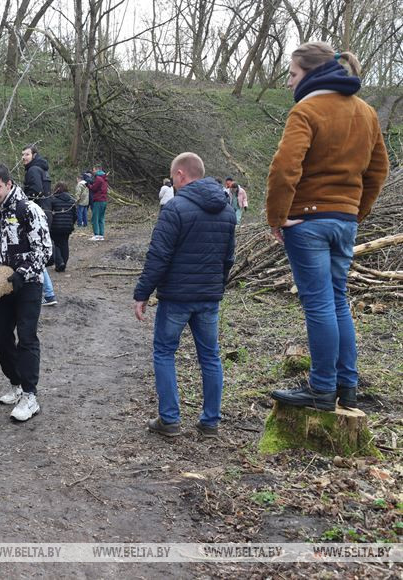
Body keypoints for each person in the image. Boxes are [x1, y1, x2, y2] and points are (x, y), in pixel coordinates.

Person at [266, 42, 389, 411]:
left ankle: (321, 389)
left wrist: (277, 216)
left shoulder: (307, 110)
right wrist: (355, 211)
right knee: (337, 302)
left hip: (308, 220)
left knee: (319, 305)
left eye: (292, 74)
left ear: (311, 73)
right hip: (344, 221)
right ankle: (346, 387)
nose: (289, 83)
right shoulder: (366, 112)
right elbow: (379, 170)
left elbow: (284, 167)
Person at [134, 152, 236, 438]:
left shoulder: (174, 209)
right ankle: (210, 422)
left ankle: (169, 420)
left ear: (180, 175)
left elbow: (158, 256)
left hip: (177, 298)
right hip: (208, 298)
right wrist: (218, 285)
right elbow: (229, 258)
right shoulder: (227, 211)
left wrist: (142, 294)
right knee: (210, 357)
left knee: (165, 352)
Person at [0, 163, 52, 422]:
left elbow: (44, 250)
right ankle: (16, 384)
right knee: (1, 339)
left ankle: (30, 396)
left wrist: (22, 273)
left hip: (28, 284)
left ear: (9, 183)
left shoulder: (28, 210)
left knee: (27, 337)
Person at [21, 144, 57, 305]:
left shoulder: (34, 170)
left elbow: (36, 191)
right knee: (37, 252)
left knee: (36, 252)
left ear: (34, 155)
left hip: (38, 214)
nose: (23, 157)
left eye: (26, 154)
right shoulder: (42, 169)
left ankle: (48, 294)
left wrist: (22, 200)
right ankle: (48, 294)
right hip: (46, 211)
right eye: (22, 155)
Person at [49, 181, 78, 272]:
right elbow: (75, 215)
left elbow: (49, 214)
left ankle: (59, 262)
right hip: (67, 227)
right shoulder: (72, 200)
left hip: (55, 227)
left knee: (55, 244)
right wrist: (71, 223)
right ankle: (63, 264)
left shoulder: (52, 200)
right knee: (65, 244)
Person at [88, 165, 109, 240]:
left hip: (98, 200)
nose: (93, 171)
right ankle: (101, 235)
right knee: (101, 218)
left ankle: (96, 234)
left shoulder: (98, 178)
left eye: (93, 170)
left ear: (97, 170)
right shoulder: (104, 178)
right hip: (104, 200)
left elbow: (94, 188)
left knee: (95, 218)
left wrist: (88, 185)